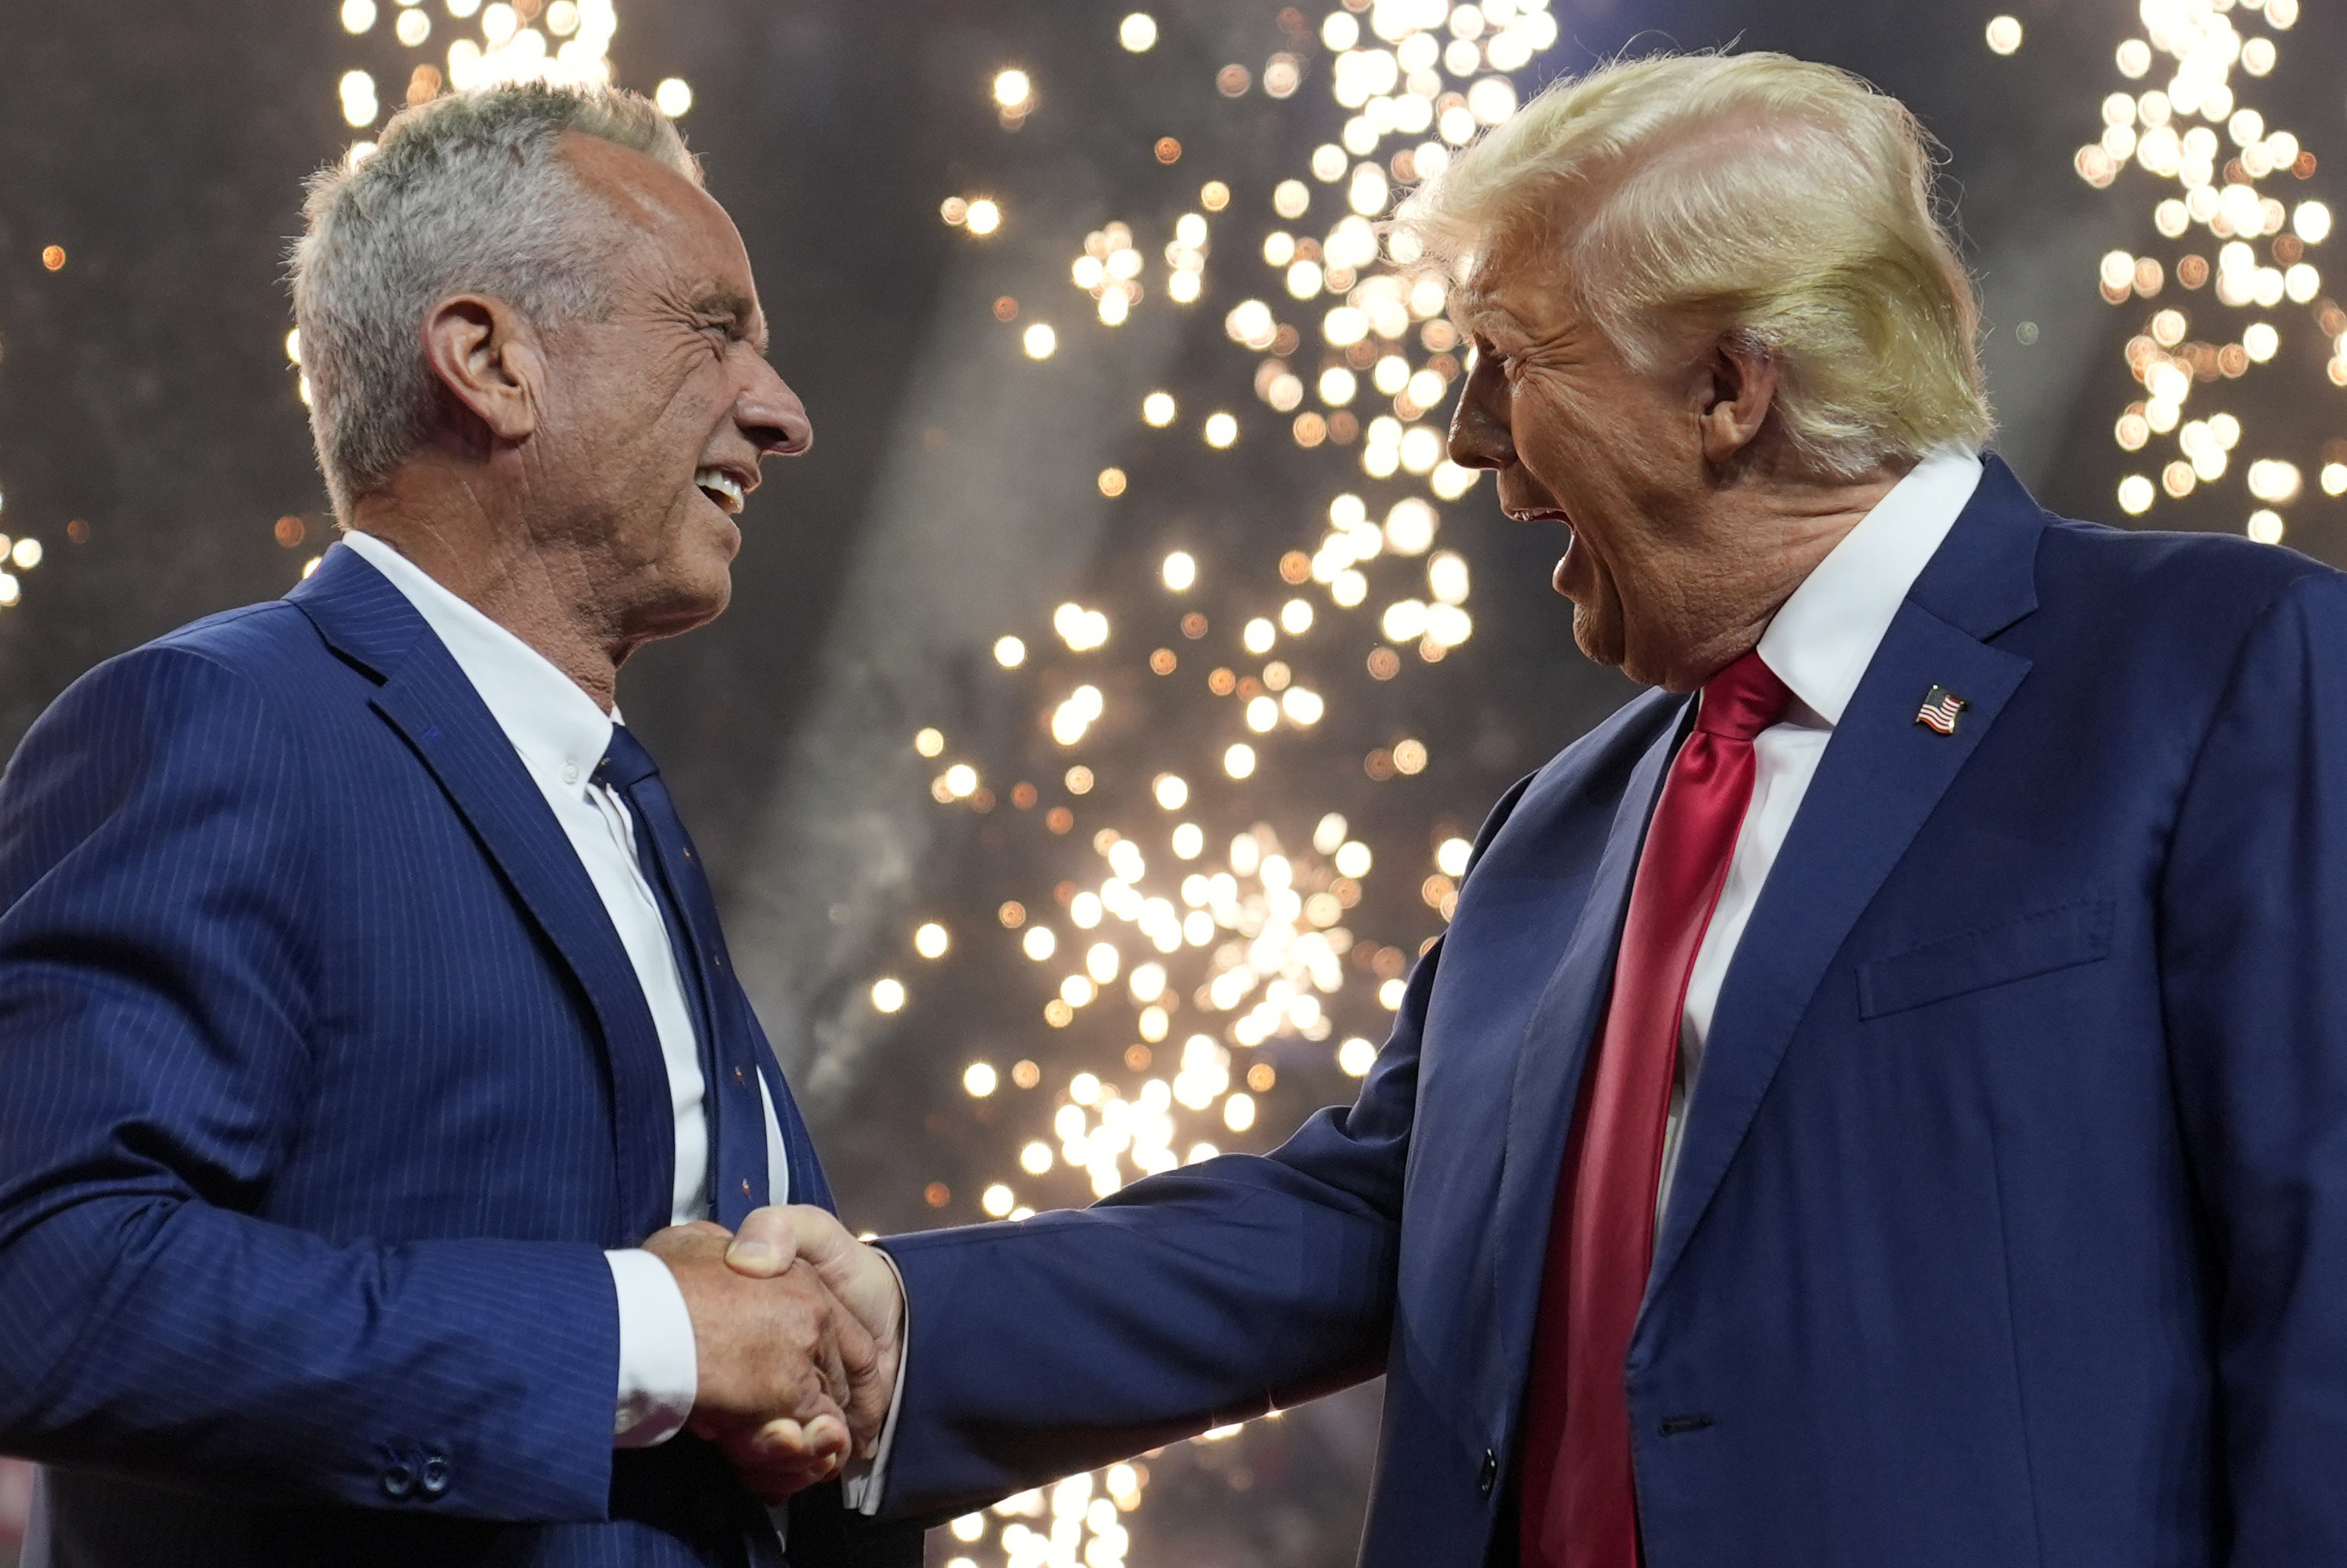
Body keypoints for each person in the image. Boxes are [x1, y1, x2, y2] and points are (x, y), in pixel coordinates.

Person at [722, 49, 2347, 1567]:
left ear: (1726, 386)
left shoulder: (2212, 666)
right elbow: (1358, 1221)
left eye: (1505, 362)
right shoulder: (1563, 826)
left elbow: (2319, 1261)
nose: (1466, 440)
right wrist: (883, 1318)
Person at [0, 84, 917, 1568]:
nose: (782, 409)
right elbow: (43, 1282)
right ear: (491, 362)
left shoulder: (621, 809)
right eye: (711, 329)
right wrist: (648, 1335)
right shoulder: (218, 723)